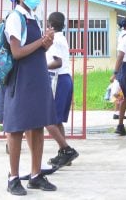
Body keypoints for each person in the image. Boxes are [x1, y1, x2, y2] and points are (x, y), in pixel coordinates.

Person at [0, 0, 57, 196]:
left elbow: (35, 50)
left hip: (37, 78)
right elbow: (17, 52)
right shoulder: (15, 18)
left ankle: (36, 175)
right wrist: (41, 42)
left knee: (37, 127)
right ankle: (13, 178)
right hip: (21, 79)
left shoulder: (34, 18)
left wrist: (45, 44)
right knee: (17, 129)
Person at [45, 12, 79, 168]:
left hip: (58, 80)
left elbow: (57, 63)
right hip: (64, 79)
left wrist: (41, 67)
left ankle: (67, 150)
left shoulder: (56, 40)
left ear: (50, 25)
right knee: (57, 120)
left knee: (49, 119)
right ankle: (64, 154)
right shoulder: (61, 38)